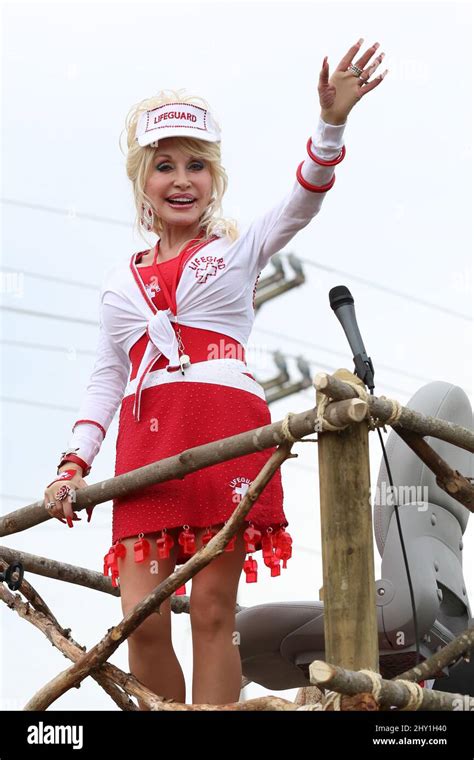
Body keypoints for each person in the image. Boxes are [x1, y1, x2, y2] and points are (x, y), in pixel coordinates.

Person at [44, 39, 387, 708]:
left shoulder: (235, 252)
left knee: (212, 614)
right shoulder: (119, 284)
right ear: (142, 180)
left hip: (224, 438)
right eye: (164, 165)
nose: (181, 179)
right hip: (145, 450)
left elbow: (302, 201)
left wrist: (331, 123)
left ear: (214, 178)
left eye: (196, 166)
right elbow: (105, 379)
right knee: (140, 623)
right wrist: (73, 463)